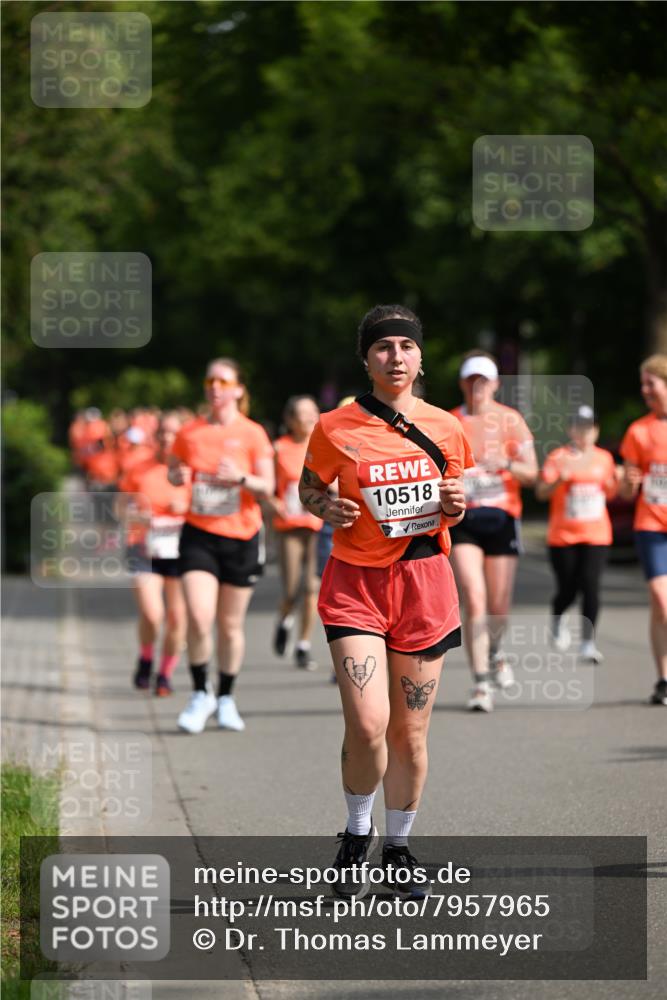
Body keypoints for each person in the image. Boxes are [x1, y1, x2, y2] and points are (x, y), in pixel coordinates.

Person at [299, 304, 472, 898]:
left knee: (410, 734)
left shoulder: (448, 426)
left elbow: (454, 503)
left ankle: (397, 849)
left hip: (424, 584)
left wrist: (454, 505)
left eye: (405, 346)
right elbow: (309, 487)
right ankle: (356, 833)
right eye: (382, 347)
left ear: (421, 356)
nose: (394, 357)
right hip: (355, 585)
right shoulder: (334, 426)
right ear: (366, 358)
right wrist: (328, 508)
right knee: (369, 724)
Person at [168, 358, 275, 733]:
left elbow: (269, 485)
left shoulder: (253, 433)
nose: (214, 386)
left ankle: (226, 697)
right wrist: (175, 474)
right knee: (198, 616)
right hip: (199, 533)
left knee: (229, 625)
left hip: (242, 536)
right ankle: (201, 693)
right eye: (210, 379)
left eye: (223, 380)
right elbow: (174, 467)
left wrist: (242, 477)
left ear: (238, 389)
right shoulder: (190, 432)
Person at [449, 352, 538, 713]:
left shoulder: (510, 420)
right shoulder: (450, 421)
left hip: (501, 518)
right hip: (463, 520)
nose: (478, 387)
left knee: (499, 605)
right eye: (471, 380)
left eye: (484, 380)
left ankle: (497, 651)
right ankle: (481, 682)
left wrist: (506, 463)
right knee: (474, 596)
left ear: (496, 384)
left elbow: (533, 473)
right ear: (462, 384)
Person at [536, 406, 618, 663]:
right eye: (579, 427)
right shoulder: (558, 457)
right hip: (563, 537)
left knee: (590, 585)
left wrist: (620, 482)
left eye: (590, 427)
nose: (585, 432)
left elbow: (613, 493)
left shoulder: (604, 459)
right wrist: (559, 480)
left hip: (597, 535)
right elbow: (541, 493)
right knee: (568, 589)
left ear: (596, 430)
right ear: (571, 429)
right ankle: (558, 616)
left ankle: (587, 643)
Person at [119, 412, 190, 695]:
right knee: (152, 615)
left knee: (177, 618)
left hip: (181, 550)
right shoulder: (138, 468)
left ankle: (164, 675)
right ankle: (146, 657)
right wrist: (136, 513)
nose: (167, 439)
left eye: (173, 434)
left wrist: (184, 510)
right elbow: (120, 506)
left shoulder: (191, 471)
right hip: (144, 547)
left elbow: (209, 510)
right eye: (162, 434)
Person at [619, 354, 667, 706]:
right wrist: (629, 481)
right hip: (651, 524)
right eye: (643, 383)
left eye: (650, 382)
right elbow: (624, 490)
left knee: (656, 606)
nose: (644, 389)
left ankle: (663, 678)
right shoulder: (639, 430)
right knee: (663, 600)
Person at [269, 396, 322, 670]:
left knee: (312, 586)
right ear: (290, 420)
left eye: (313, 412)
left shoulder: (325, 445)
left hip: (318, 526)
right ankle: (284, 618)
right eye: (302, 414)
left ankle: (303, 645)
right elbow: (268, 486)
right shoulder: (279, 448)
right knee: (291, 589)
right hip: (289, 527)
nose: (310, 418)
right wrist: (272, 502)